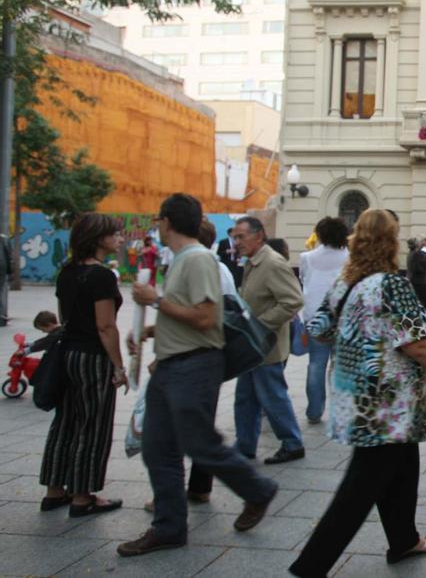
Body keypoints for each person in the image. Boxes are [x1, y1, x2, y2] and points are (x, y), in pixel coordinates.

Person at [290, 209, 426, 577]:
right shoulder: (392, 286)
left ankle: (404, 540)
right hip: (387, 404)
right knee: (359, 490)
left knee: (404, 468)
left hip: (357, 397)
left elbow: (318, 329)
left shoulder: (346, 284)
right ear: (391, 243)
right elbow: (417, 345)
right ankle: (309, 566)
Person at [121, 194, 277, 557]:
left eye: (158, 221)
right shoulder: (181, 260)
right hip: (174, 362)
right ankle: (169, 527)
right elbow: (189, 315)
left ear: (167, 222)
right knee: (157, 447)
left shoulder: (197, 259)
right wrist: (150, 332)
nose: (156, 227)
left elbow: (206, 318)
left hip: (193, 366)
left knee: (199, 443)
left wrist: (155, 301)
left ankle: (257, 490)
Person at [39, 213, 127, 518]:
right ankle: (83, 496)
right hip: (92, 357)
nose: (120, 238)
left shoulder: (66, 272)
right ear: (98, 239)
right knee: (93, 425)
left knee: (65, 422)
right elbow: (106, 326)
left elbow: (66, 318)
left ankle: (54, 490)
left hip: (68, 355)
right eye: (115, 233)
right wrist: (118, 366)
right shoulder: (101, 276)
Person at [231, 217, 306, 464]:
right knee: (245, 398)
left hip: (266, 345)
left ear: (259, 236)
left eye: (242, 236)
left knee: (272, 396)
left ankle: (292, 443)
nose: (237, 241)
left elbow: (293, 301)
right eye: (235, 236)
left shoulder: (272, 263)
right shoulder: (253, 262)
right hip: (251, 345)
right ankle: (245, 445)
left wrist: (260, 324)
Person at [298, 217, 351, 424]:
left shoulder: (306, 257)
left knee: (315, 365)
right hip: (343, 318)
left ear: (319, 234)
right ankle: (341, 412)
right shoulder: (351, 258)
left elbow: (304, 280)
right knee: (341, 366)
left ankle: (314, 410)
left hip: (315, 317)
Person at [406, 238, 426, 307]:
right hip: (418, 281)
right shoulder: (416, 254)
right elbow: (418, 268)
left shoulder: (410, 253)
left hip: (411, 278)